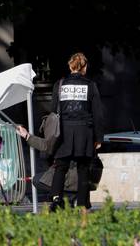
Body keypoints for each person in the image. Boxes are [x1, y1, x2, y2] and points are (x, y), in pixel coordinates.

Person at [48, 52, 104, 210]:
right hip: (84, 132)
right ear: (84, 67)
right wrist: (99, 137)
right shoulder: (91, 85)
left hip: (63, 131)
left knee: (60, 166)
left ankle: (56, 199)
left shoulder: (59, 85)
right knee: (84, 167)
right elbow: (98, 114)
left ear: (70, 66)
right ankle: (81, 203)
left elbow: (53, 110)